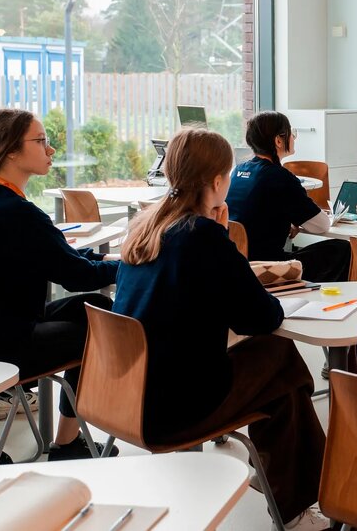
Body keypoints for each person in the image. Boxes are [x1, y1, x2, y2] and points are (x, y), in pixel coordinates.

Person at [115, 127, 326, 528]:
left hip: (125, 393)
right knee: (280, 358)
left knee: (279, 379)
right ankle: (295, 503)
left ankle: (284, 487)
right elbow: (262, 318)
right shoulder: (202, 237)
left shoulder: (145, 228)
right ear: (216, 182)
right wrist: (223, 239)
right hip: (174, 406)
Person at [0, 108, 119, 459]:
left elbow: (61, 257)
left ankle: (68, 440)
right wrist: (134, 267)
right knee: (98, 325)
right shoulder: (17, 213)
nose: (51, 150)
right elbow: (78, 275)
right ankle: (67, 444)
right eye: (41, 141)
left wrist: (113, 261)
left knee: (94, 306)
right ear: (11, 152)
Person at [226, 110, 351, 282]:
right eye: (291, 133)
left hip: (236, 264)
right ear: (278, 141)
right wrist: (296, 219)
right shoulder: (280, 178)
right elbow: (321, 225)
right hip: (267, 268)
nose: (294, 137)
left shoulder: (237, 171)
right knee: (342, 248)